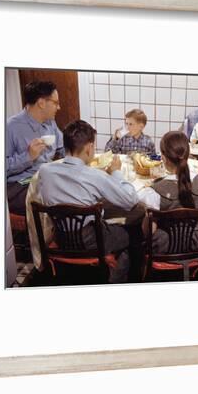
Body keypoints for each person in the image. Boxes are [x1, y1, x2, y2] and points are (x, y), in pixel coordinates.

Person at [37, 120, 139, 283]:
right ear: (89, 147)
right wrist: (117, 173)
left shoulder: (44, 171)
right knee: (130, 233)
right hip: (89, 240)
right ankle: (116, 279)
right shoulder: (95, 176)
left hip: (61, 236)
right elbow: (130, 201)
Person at [138, 131, 198, 255]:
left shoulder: (153, 192)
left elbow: (148, 232)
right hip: (196, 244)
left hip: (164, 247)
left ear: (163, 158)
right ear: (187, 155)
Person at [6, 81, 64, 215]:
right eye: (55, 103)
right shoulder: (11, 127)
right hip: (20, 186)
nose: (59, 107)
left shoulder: (51, 122)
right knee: (57, 199)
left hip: (45, 178)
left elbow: (62, 149)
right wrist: (28, 156)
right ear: (41, 103)